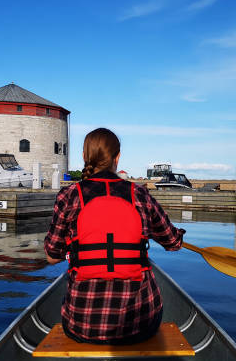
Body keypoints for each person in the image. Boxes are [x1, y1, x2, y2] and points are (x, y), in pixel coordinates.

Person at [44, 128, 185, 345]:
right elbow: (173, 243)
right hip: (141, 325)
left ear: (84, 157)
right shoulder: (140, 194)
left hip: (81, 325)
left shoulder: (69, 195)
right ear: (117, 157)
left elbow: (52, 256)